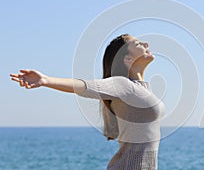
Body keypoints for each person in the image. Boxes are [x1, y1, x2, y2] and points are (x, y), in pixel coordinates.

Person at [10, 34, 165, 170]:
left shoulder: (142, 90)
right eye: (138, 44)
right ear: (127, 58)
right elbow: (86, 86)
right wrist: (46, 80)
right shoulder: (123, 84)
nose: (146, 44)